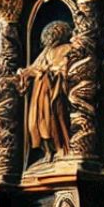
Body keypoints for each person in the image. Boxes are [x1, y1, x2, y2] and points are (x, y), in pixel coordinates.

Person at [21, 22, 74, 161]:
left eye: (53, 34)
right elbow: (34, 67)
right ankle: (47, 151)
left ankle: (59, 148)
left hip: (53, 90)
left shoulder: (67, 48)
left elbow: (65, 68)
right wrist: (24, 72)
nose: (50, 38)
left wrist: (49, 71)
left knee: (50, 120)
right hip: (39, 90)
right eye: (48, 35)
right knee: (34, 123)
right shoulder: (46, 51)